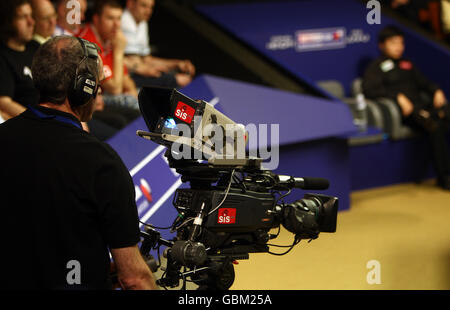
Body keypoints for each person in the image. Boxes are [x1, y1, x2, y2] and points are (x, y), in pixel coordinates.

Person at [0, 35, 157, 290]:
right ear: (83, 87)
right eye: (95, 82)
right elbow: (134, 279)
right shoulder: (102, 164)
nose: (99, 90)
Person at [362, 25, 450, 190]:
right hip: (405, 113)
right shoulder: (376, 67)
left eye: (401, 43)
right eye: (393, 43)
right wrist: (397, 97)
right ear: (382, 45)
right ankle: (444, 177)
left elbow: (424, 82)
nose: (398, 47)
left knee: (444, 115)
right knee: (435, 126)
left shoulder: (407, 64)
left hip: (423, 107)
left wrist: (436, 90)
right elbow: (369, 90)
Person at [121, 0, 195, 89]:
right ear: (130, 3)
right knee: (176, 80)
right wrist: (168, 76)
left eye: (151, 7)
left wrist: (176, 64)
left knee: (176, 76)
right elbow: (136, 63)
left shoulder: (142, 22)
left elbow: (146, 59)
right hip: (125, 75)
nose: (148, 11)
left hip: (136, 72)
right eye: (144, 6)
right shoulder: (125, 21)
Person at [0, 0, 40, 121]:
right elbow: (4, 102)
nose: (31, 22)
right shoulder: (3, 56)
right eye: (23, 17)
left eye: (31, 16)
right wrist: (40, 120)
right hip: (30, 124)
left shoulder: (36, 47)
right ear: (9, 21)